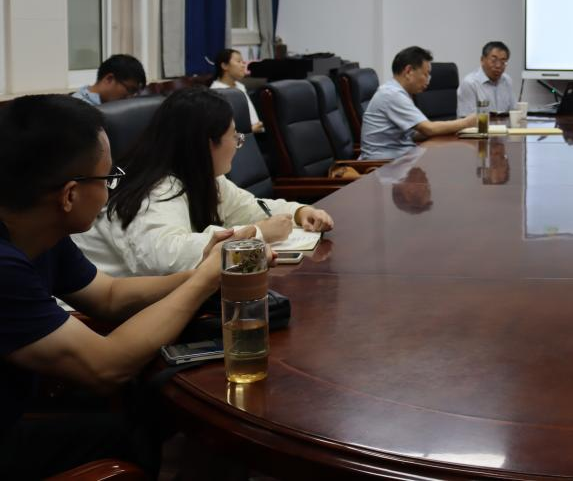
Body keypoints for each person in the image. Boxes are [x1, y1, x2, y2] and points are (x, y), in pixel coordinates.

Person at [0, 95, 232, 478]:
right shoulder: (6, 267)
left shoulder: (39, 230)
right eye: (107, 179)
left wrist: (200, 273)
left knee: (149, 416)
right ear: (70, 195)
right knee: (138, 436)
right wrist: (205, 281)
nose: (111, 191)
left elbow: (108, 296)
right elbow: (106, 366)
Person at [73, 88, 333, 278]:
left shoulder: (202, 177)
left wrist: (299, 212)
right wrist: (256, 234)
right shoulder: (155, 189)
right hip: (96, 318)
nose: (239, 144)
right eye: (235, 137)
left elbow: (249, 207)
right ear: (209, 143)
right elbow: (168, 258)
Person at [360, 46, 476, 160]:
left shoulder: (399, 92)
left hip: (400, 157)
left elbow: (414, 134)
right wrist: (466, 122)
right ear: (409, 71)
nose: (428, 81)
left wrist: (451, 130)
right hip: (383, 165)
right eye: (426, 74)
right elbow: (429, 129)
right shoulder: (392, 94)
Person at [210, 48, 264, 133]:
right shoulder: (216, 92)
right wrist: (250, 130)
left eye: (243, 62)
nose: (243, 65)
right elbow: (221, 130)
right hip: (242, 137)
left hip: (256, 133)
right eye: (238, 61)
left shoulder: (240, 86)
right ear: (224, 66)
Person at [456, 41, 515, 116]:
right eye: (493, 61)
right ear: (482, 60)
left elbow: (513, 112)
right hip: (480, 124)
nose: (498, 66)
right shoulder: (470, 83)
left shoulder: (507, 80)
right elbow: (467, 119)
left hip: (505, 123)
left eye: (503, 62)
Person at [72, 54, 147, 105]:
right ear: (109, 79)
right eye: (130, 90)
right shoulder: (77, 108)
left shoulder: (111, 106)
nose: (130, 97)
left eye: (135, 93)